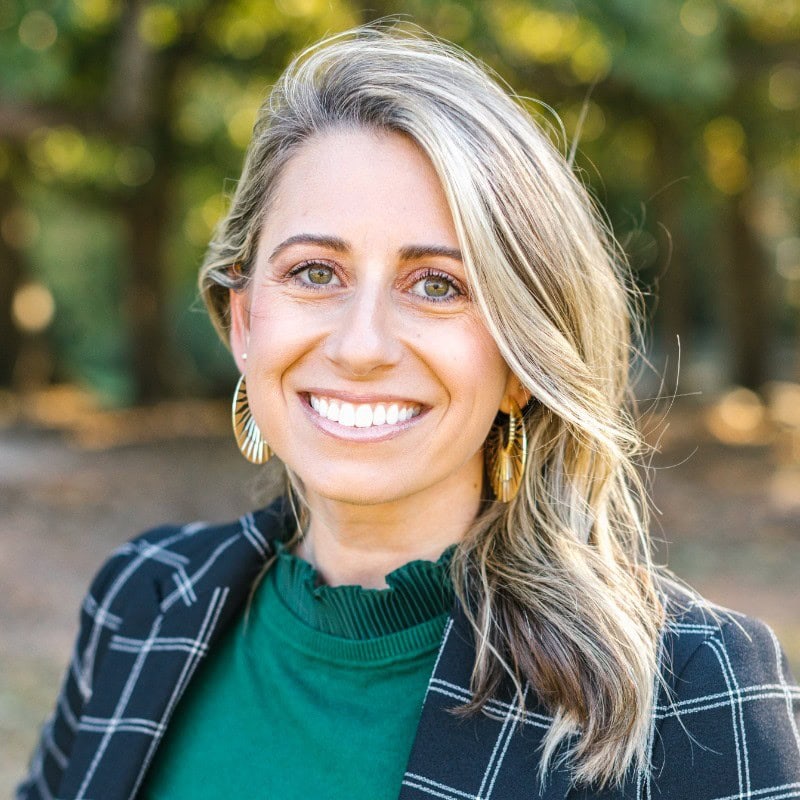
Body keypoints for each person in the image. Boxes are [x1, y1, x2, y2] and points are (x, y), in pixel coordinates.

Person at [17, 24, 800, 800]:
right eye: (315, 272)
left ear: (520, 361)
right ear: (246, 320)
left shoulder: (689, 693)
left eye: (437, 286)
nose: (362, 346)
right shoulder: (143, 602)